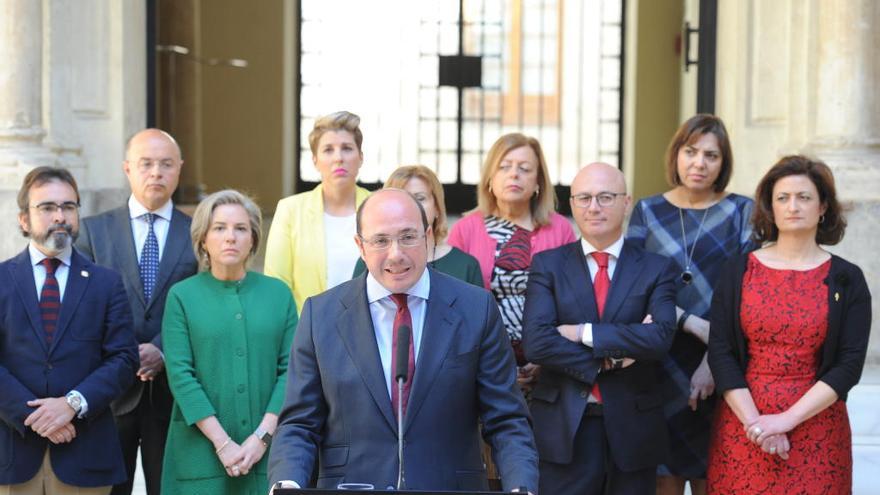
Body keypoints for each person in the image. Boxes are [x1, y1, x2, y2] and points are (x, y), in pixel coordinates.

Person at [268, 189, 538, 492]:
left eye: (408, 237)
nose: (396, 253)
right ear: (360, 246)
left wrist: (521, 486)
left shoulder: (476, 308)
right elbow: (299, 424)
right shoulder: (321, 315)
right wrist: (287, 482)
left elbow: (507, 420)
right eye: (381, 241)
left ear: (427, 236)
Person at [707, 155, 871, 494]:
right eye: (782, 198)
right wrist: (757, 424)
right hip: (744, 423)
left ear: (823, 206)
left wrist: (785, 420)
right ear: (770, 207)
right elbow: (721, 352)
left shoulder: (847, 278)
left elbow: (848, 365)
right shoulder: (737, 271)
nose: (792, 206)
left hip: (817, 428)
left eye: (804, 197)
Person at [522, 162, 677, 495]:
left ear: (626, 202)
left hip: (633, 428)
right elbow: (537, 342)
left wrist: (583, 333)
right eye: (584, 198)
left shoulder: (657, 268)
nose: (594, 207)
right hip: (565, 426)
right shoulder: (548, 265)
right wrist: (609, 359)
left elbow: (660, 337)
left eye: (605, 197)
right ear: (572, 205)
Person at [625, 114, 755, 494]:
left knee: (710, 475)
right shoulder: (647, 212)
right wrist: (689, 322)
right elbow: (634, 287)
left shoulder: (741, 212)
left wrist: (713, 361)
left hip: (721, 363)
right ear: (676, 155)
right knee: (663, 476)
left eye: (711, 155)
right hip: (659, 362)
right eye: (691, 151)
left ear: (723, 162)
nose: (699, 163)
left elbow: (746, 294)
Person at [0, 167, 138, 493]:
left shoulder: (106, 283)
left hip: (85, 455)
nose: (59, 216)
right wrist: (37, 416)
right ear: (24, 219)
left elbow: (123, 358)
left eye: (69, 207)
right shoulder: (2, 280)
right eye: (47, 208)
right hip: (12, 456)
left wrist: (72, 404)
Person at [76, 128, 198, 495]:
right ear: (127, 168)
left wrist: (161, 348)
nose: (156, 173)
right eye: (146, 163)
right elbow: (83, 307)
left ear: (179, 169)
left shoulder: (197, 234)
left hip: (173, 391)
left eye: (166, 164)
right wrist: (129, 352)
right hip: (109, 393)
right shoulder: (93, 232)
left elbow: (197, 303)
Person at [161, 190, 297, 494]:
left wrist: (261, 438)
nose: (230, 237)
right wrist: (223, 444)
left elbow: (292, 370)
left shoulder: (279, 295)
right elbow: (181, 377)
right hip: (199, 455)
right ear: (203, 239)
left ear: (253, 239)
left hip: (267, 455)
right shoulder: (182, 296)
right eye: (219, 228)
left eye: (240, 228)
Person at [448, 133, 575, 389]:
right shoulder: (465, 230)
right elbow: (451, 305)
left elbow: (573, 301)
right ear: (490, 179)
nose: (514, 174)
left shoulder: (560, 229)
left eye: (524, 168)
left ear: (538, 181)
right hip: (482, 365)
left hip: (548, 366)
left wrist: (547, 357)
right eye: (504, 167)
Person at [264, 110, 371, 313]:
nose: (338, 158)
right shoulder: (290, 210)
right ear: (315, 160)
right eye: (328, 150)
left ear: (361, 157)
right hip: (308, 333)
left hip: (369, 331)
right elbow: (277, 286)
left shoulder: (377, 207)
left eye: (347, 148)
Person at [353, 165, 482, 287]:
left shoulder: (466, 266)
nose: (411, 206)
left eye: (420, 198)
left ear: (437, 206)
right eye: (402, 198)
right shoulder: (369, 262)